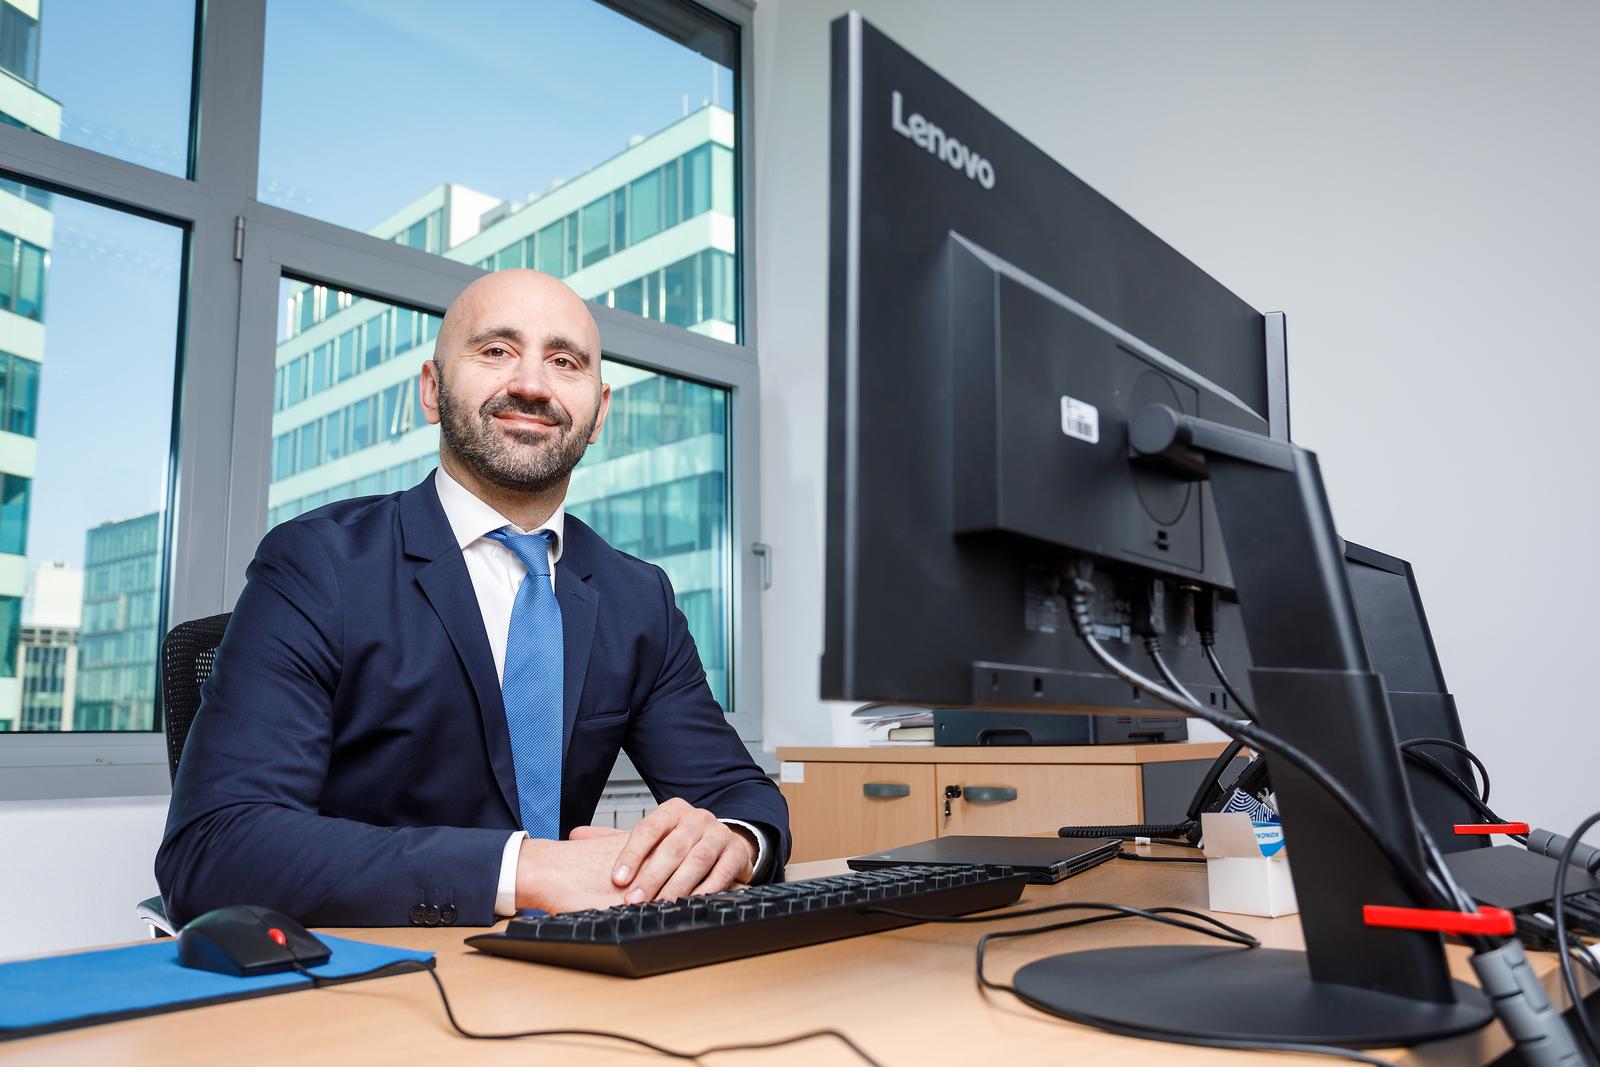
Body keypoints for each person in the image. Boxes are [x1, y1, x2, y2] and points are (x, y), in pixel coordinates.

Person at [156, 270, 789, 927]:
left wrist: (735, 842)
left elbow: (740, 794)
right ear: (432, 390)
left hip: (573, 974)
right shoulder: (320, 565)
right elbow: (214, 849)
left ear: (599, 413)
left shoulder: (638, 597)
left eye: (564, 361)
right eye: (495, 351)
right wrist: (529, 871)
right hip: (378, 980)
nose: (532, 384)